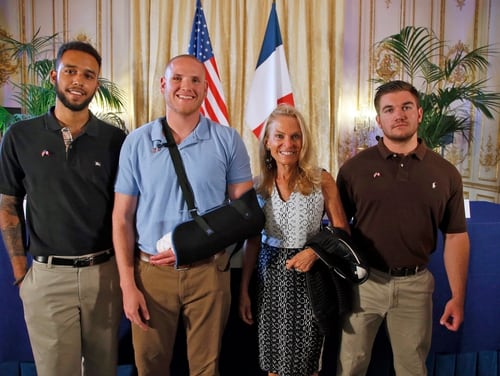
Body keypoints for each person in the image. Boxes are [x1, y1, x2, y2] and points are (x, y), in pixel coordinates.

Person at [112, 54, 253, 376]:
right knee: (150, 366)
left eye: (194, 80)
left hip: (208, 273)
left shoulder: (227, 139)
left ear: (206, 88)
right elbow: (122, 217)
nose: (185, 87)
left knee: (207, 368)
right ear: (163, 85)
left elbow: (245, 213)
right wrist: (127, 284)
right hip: (151, 274)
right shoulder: (136, 142)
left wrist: (201, 247)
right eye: (177, 79)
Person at [0, 41, 126, 376]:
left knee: (104, 370)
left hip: (104, 276)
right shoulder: (19, 136)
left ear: (96, 84)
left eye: (88, 75)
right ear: (54, 75)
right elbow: (9, 205)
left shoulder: (115, 140)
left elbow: (125, 211)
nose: (78, 80)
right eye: (70, 71)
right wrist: (19, 272)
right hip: (48, 277)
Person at [336, 80, 470, 376]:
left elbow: (456, 235)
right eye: (390, 109)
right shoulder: (352, 170)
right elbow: (338, 230)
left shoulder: (446, 173)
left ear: (419, 113)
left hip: (415, 287)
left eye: (406, 107)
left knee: (412, 369)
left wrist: (458, 297)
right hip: (364, 286)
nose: (399, 114)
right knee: (350, 367)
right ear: (378, 119)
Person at [239, 104, 350, 376]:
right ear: (267, 142)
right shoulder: (258, 186)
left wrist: (314, 252)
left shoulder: (321, 180)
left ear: (304, 140)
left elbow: (341, 231)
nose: (288, 144)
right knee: (274, 364)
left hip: (312, 278)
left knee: (308, 363)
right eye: (279, 136)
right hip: (270, 278)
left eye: (295, 136)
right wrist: (243, 290)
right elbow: (252, 242)